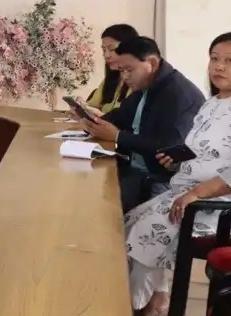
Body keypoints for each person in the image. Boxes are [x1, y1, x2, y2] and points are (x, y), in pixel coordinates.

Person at [122, 32, 231, 316]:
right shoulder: (214, 103)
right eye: (214, 59)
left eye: (229, 61)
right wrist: (178, 161)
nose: (218, 66)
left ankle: (134, 308)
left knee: (146, 229)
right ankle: (155, 299)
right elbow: (203, 153)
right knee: (129, 222)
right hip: (196, 194)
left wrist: (195, 193)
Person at [81, 36, 204, 211]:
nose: (125, 77)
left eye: (129, 70)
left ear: (151, 63)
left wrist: (118, 136)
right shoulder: (146, 86)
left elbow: (168, 147)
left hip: (160, 180)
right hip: (134, 168)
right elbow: (121, 115)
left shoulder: (177, 93)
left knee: (98, 205)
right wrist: (93, 121)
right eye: (122, 70)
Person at [84, 23, 141, 115]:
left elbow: (129, 119)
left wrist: (101, 117)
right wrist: (81, 105)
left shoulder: (141, 83)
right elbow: (92, 105)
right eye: (104, 50)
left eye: (111, 49)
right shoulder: (110, 80)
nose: (106, 55)